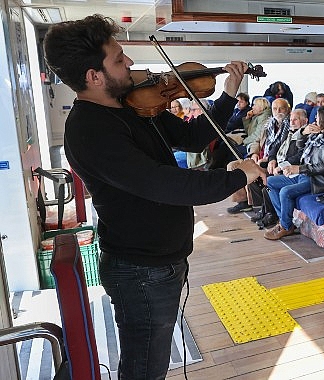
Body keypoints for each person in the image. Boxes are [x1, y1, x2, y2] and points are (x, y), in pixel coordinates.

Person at [43, 14, 265, 380]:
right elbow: (165, 185)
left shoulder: (133, 104)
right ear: (93, 77)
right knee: (145, 368)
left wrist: (227, 94)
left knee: (150, 360)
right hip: (141, 271)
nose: (130, 62)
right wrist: (233, 176)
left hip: (161, 262)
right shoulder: (90, 130)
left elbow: (194, 138)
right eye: (118, 59)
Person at [264, 105, 324, 240]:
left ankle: (285, 227)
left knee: (285, 192)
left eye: (318, 117)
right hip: (304, 175)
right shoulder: (320, 134)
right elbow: (301, 148)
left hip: (318, 180)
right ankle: (284, 221)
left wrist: (300, 168)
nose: (315, 120)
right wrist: (303, 133)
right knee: (269, 182)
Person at [227, 98, 290, 214]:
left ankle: (260, 207)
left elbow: (283, 149)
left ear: (288, 110)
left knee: (250, 171)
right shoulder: (268, 124)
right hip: (259, 157)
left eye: (282, 108)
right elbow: (256, 141)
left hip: (271, 162)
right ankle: (243, 202)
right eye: (275, 109)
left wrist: (268, 159)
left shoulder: (289, 127)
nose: (278, 111)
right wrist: (254, 153)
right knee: (232, 166)